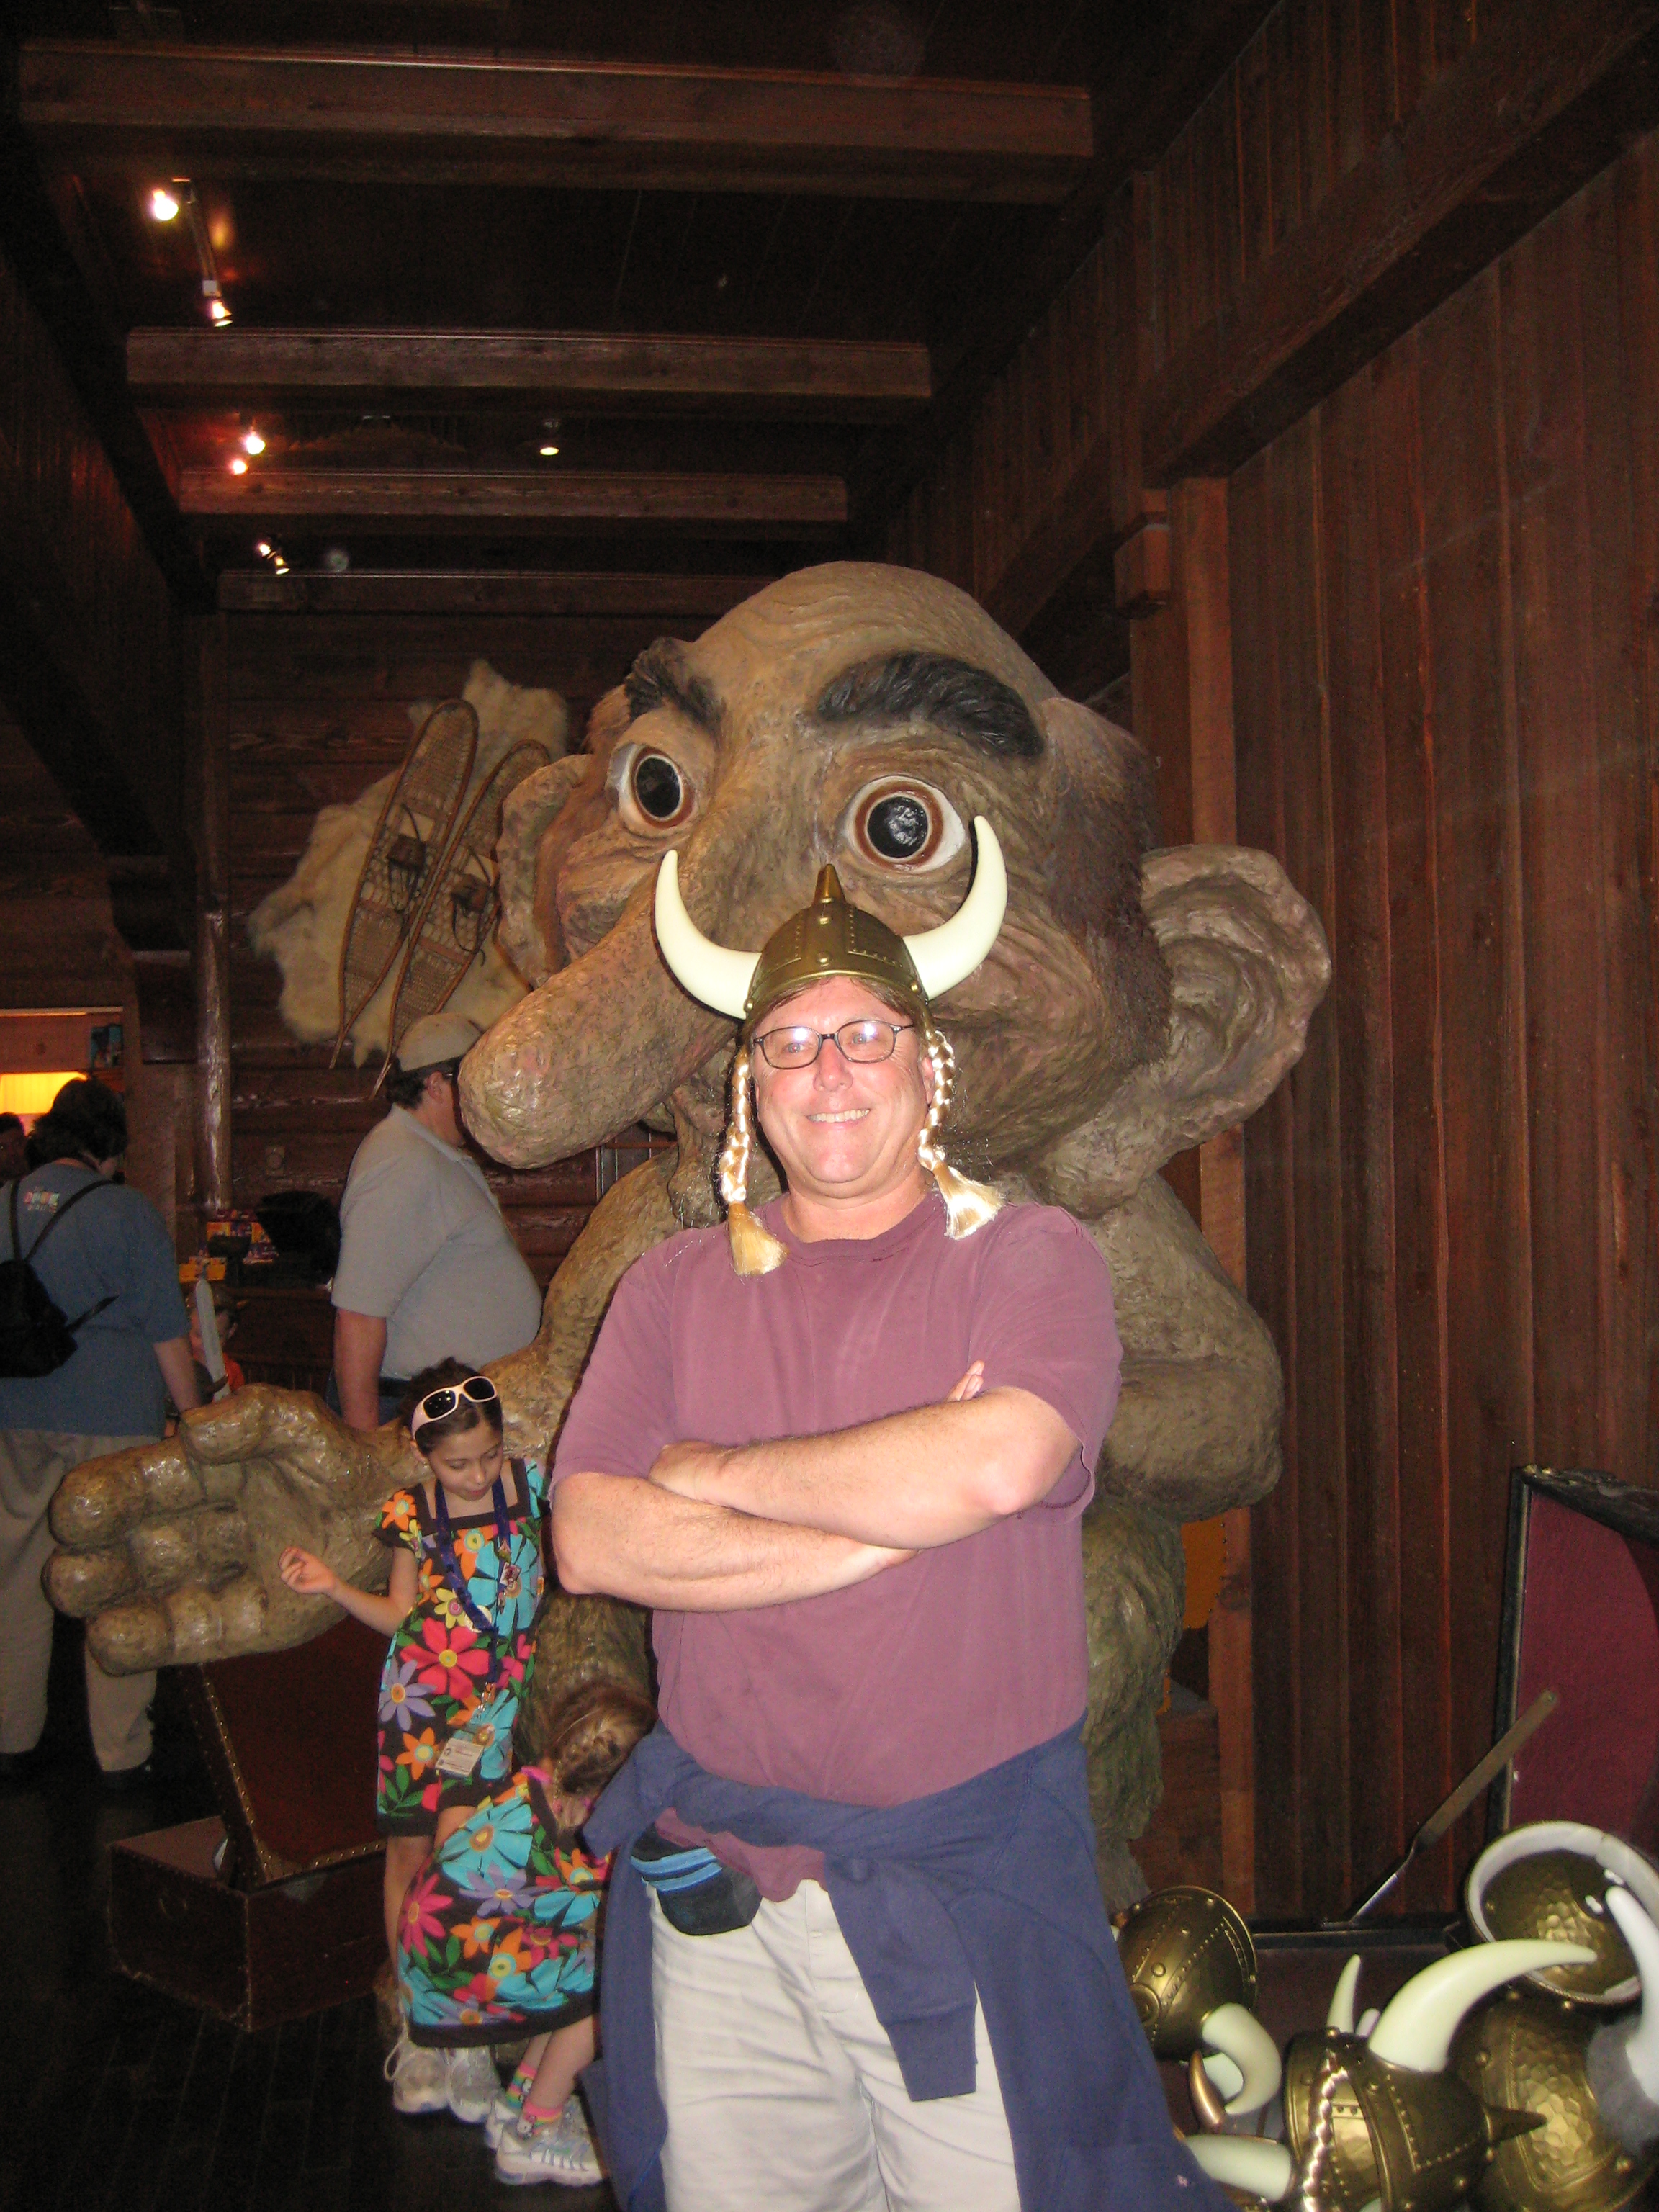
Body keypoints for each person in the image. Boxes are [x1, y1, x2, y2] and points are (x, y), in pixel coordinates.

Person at [549, 855, 1231, 2211]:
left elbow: (1000, 1457)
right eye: (790, 1043)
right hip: (721, 1904)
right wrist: (882, 1525)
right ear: (751, 1082)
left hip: (958, 1900)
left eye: (866, 1034)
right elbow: (592, 1541)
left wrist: (710, 1474)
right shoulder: (671, 1286)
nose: (830, 1074)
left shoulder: (1030, 1257)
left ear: (928, 1065)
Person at [277, 1357, 548, 2122]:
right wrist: (336, 1588)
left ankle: (463, 2029)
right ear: (420, 1452)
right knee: (409, 1852)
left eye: (488, 1455)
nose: (477, 1475)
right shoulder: (411, 1512)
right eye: (457, 1464)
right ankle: (421, 2026)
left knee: (467, 1859)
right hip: (420, 1696)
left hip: (495, 1703)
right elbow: (403, 1615)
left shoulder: (532, 1487)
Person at [0, 1078, 198, 1786]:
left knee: (14, 1575)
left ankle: (11, 1736)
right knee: (118, 1577)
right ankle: (121, 1751)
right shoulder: (128, 1212)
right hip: (113, 1417)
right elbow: (168, 1333)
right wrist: (195, 1418)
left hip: (16, 1409)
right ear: (110, 1145)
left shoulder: (3, 1203)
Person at [397, 1676, 656, 2188]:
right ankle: (534, 2135)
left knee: (571, 1968)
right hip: (454, 1958)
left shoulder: (537, 1789)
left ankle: (521, 2104)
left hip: (439, 1941)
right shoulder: (581, 1846)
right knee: (609, 1983)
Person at [330, 1012, 543, 1429]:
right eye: (476, 1082)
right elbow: (358, 1315)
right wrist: (366, 1448)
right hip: (422, 1414)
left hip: (459, 1411)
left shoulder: (433, 1152)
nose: (488, 1095)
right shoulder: (402, 1163)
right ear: (436, 1086)